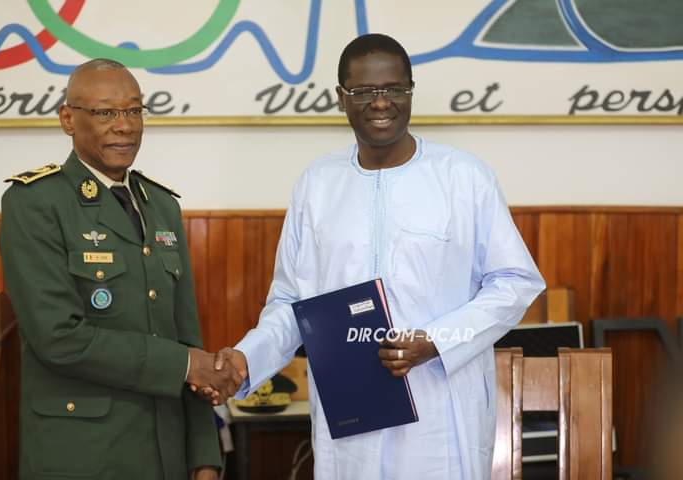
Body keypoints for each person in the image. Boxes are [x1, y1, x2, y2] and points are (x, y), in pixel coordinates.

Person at [215, 34, 545, 479]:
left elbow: (515, 282)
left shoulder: (463, 178)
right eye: (365, 92)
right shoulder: (318, 185)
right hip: (350, 417)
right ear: (341, 98)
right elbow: (292, 304)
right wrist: (245, 359)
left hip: (440, 414)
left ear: (410, 91)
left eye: (394, 89)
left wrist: (436, 340)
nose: (380, 102)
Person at [0, 59, 241, 480]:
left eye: (133, 110)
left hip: (166, 455)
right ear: (67, 119)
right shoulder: (36, 202)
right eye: (106, 112)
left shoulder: (161, 205)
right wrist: (184, 363)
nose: (124, 125)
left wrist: (204, 455)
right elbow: (58, 338)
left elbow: (187, 336)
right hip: (82, 457)